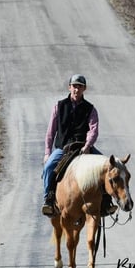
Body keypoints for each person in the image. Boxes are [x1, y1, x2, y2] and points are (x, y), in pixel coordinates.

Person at [41, 74, 103, 216]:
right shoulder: (59, 106)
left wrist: (87, 146)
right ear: (69, 87)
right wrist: (47, 153)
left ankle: (105, 202)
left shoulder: (90, 109)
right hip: (63, 148)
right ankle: (48, 199)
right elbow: (50, 132)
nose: (76, 89)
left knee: (107, 166)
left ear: (84, 89)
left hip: (83, 148)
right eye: (74, 86)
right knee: (49, 166)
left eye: (79, 86)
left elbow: (94, 130)